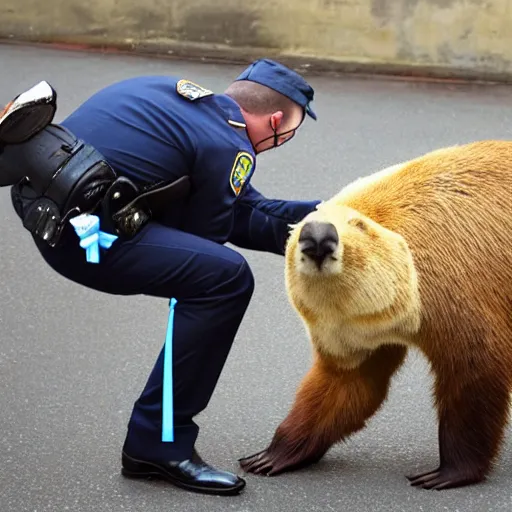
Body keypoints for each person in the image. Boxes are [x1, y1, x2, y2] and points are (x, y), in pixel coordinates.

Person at [13, 59, 321, 496]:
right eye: (289, 131)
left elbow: (237, 208)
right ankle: (157, 442)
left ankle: (155, 438)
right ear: (275, 122)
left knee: (212, 269)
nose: (284, 139)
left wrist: (330, 217)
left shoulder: (175, 97)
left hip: (52, 215)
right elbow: (210, 236)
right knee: (224, 278)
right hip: (86, 240)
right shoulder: (230, 148)